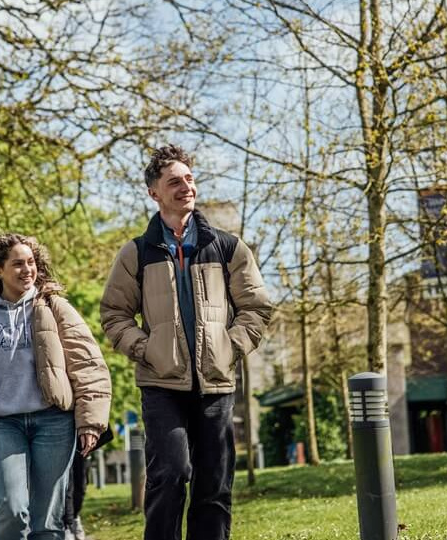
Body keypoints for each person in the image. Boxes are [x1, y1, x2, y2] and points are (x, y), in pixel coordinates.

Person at [100, 145, 272, 540]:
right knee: (170, 476)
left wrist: (230, 347)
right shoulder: (137, 252)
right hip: (162, 385)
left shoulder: (227, 247)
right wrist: (146, 350)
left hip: (216, 383)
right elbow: (114, 314)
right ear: (154, 193)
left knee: (214, 485)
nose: (186, 187)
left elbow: (256, 308)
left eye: (190, 179)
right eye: (174, 181)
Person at [0, 233, 112, 540]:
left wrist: (91, 422)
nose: (27, 270)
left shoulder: (54, 307)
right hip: (2, 424)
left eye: (31, 262)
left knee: (48, 522)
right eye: (17, 264)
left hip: (54, 421)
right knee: (10, 509)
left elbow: (88, 363)